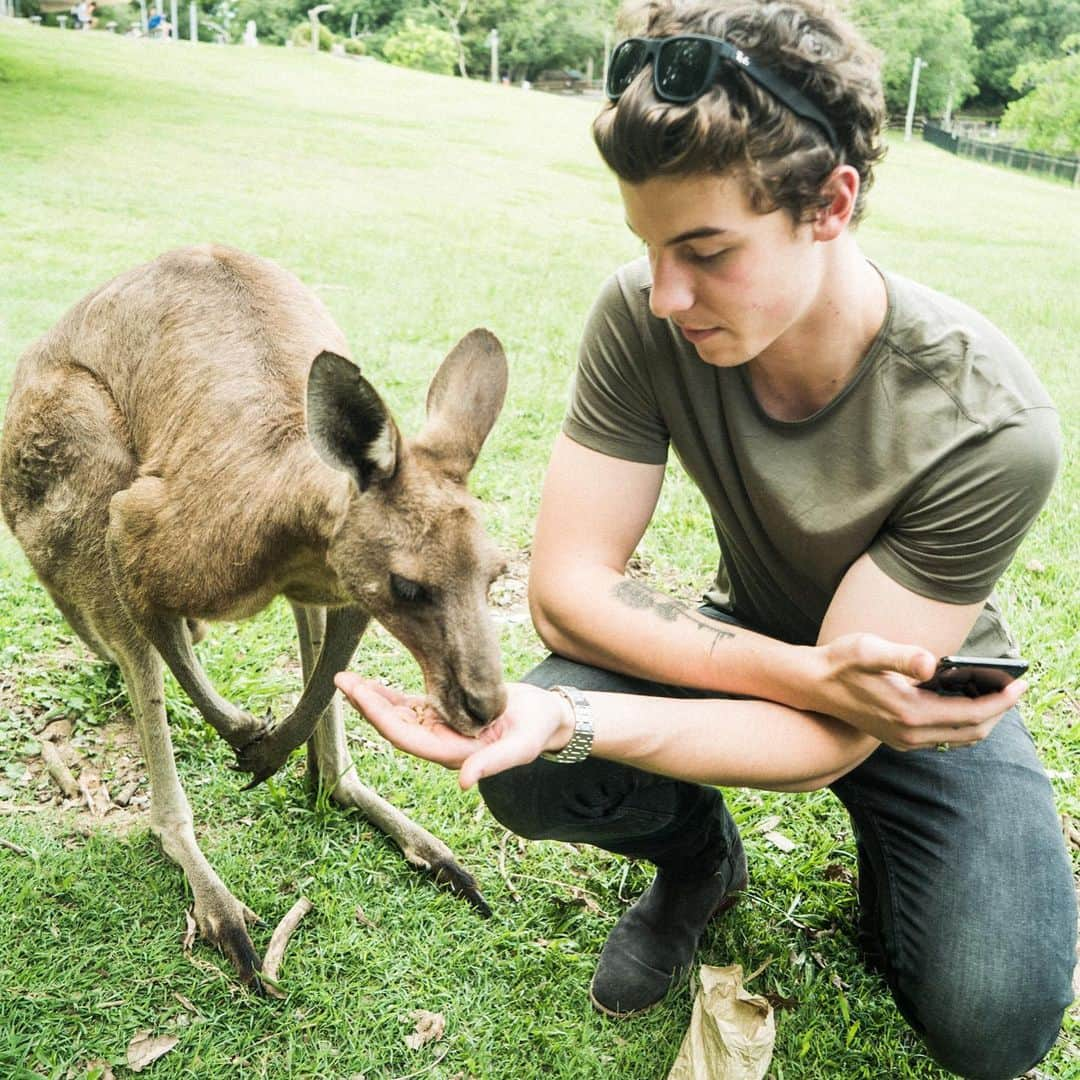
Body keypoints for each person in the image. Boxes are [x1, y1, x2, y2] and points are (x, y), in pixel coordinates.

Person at [336, 1, 1076, 1076]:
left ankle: (902, 862)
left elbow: (842, 729)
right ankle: (697, 864)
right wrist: (571, 710)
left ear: (831, 203)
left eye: (708, 250)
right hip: (771, 649)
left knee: (995, 1025)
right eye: (648, 246)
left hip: (910, 696)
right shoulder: (640, 315)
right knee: (527, 764)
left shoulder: (991, 423)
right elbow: (567, 594)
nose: (666, 292)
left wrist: (836, 693)